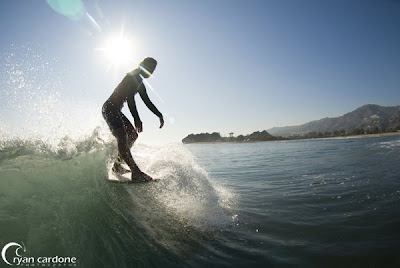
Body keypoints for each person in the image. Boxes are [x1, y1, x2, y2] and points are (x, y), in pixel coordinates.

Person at [102, 57, 164, 182]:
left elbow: (147, 101)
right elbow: (130, 99)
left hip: (115, 110)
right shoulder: (132, 76)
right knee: (122, 136)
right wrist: (137, 119)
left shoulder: (140, 83)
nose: (150, 72)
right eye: (149, 68)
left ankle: (117, 166)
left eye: (153, 70)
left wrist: (159, 115)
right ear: (141, 66)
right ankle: (136, 172)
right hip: (110, 108)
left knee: (132, 135)